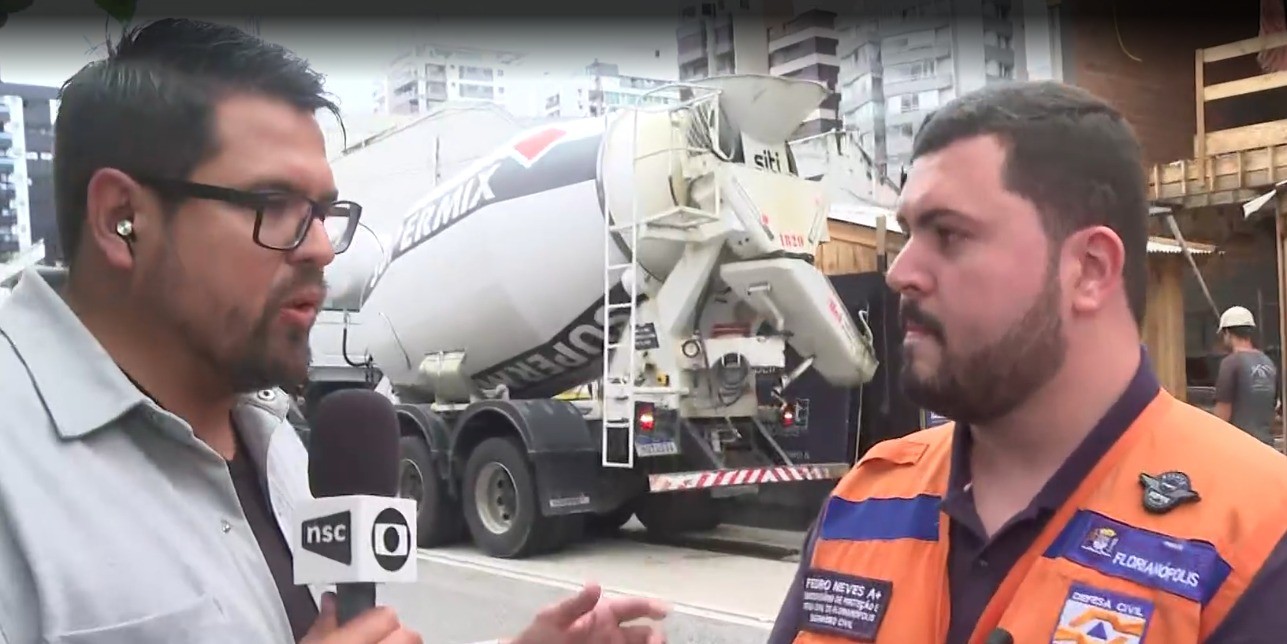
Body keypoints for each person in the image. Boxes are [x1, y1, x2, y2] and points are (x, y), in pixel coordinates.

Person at [0, 18, 666, 644]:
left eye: (322, 212)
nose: (320, 247)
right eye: (273, 205)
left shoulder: (279, 444)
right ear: (123, 219)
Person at [767, 81, 1287, 643]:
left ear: (1089, 269)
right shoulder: (864, 501)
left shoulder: (1256, 542)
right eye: (908, 233)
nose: (901, 272)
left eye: (949, 234)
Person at [1212, 305, 1279, 446]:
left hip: (1241, 447)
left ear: (1227, 333)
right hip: (1266, 445)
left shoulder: (1230, 363)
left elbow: (1223, 412)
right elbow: (1273, 406)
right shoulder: (1269, 362)